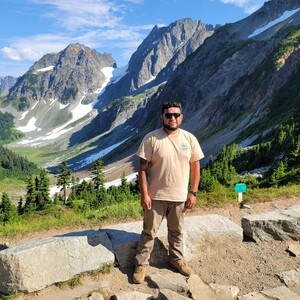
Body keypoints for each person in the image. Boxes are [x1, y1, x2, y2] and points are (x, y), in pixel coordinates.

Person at [133, 100, 204, 284]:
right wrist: (144, 194)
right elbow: (142, 169)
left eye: (176, 115)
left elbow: (196, 166)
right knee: (149, 231)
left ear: (182, 116)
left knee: (177, 231)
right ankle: (141, 265)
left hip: (180, 197)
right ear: (162, 117)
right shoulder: (151, 138)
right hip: (155, 197)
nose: (173, 118)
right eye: (169, 115)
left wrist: (193, 192)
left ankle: (177, 260)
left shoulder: (189, 139)